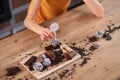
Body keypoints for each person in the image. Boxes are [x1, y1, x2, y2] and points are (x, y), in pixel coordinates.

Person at [24, 0, 104, 41]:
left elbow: (100, 13)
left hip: (59, 22)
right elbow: (28, 21)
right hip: (40, 26)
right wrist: (41, 30)